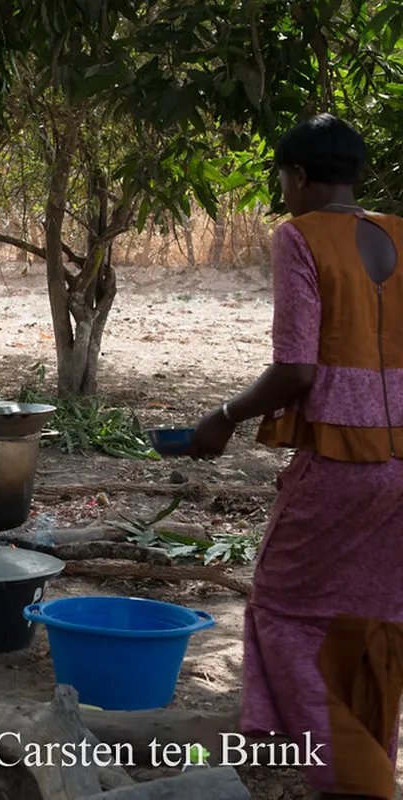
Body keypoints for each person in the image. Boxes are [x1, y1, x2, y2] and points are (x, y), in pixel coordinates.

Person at [190, 114, 403, 799]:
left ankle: (343, 772)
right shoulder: (401, 233)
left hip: (342, 458)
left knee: (282, 609)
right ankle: (372, 764)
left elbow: (297, 372)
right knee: (374, 615)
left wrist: (222, 418)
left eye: (283, 177)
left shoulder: (299, 237)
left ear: (300, 176)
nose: (284, 191)